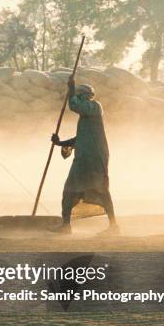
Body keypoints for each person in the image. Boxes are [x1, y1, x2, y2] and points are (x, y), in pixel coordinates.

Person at [51, 75, 119, 235]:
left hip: (94, 158)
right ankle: (66, 225)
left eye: (79, 96)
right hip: (83, 158)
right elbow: (81, 138)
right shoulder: (86, 117)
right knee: (70, 189)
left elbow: (75, 106)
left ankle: (114, 226)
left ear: (85, 96)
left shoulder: (94, 107)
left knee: (101, 190)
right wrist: (60, 143)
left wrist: (71, 89)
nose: (77, 98)